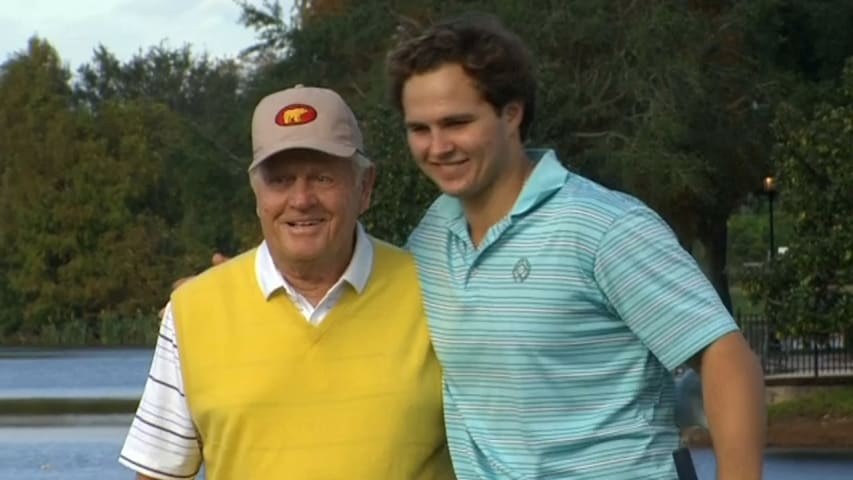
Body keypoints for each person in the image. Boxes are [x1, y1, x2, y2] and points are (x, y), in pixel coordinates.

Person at [384, 12, 766, 479]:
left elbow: (726, 357)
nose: (437, 146)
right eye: (419, 129)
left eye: (457, 122)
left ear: (511, 114)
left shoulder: (602, 226)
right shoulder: (428, 239)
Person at [118, 86, 454, 479]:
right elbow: (158, 474)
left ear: (365, 187)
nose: (301, 199)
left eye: (323, 178)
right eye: (280, 181)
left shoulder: (439, 294)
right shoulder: (192, 311)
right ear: (257, 194)